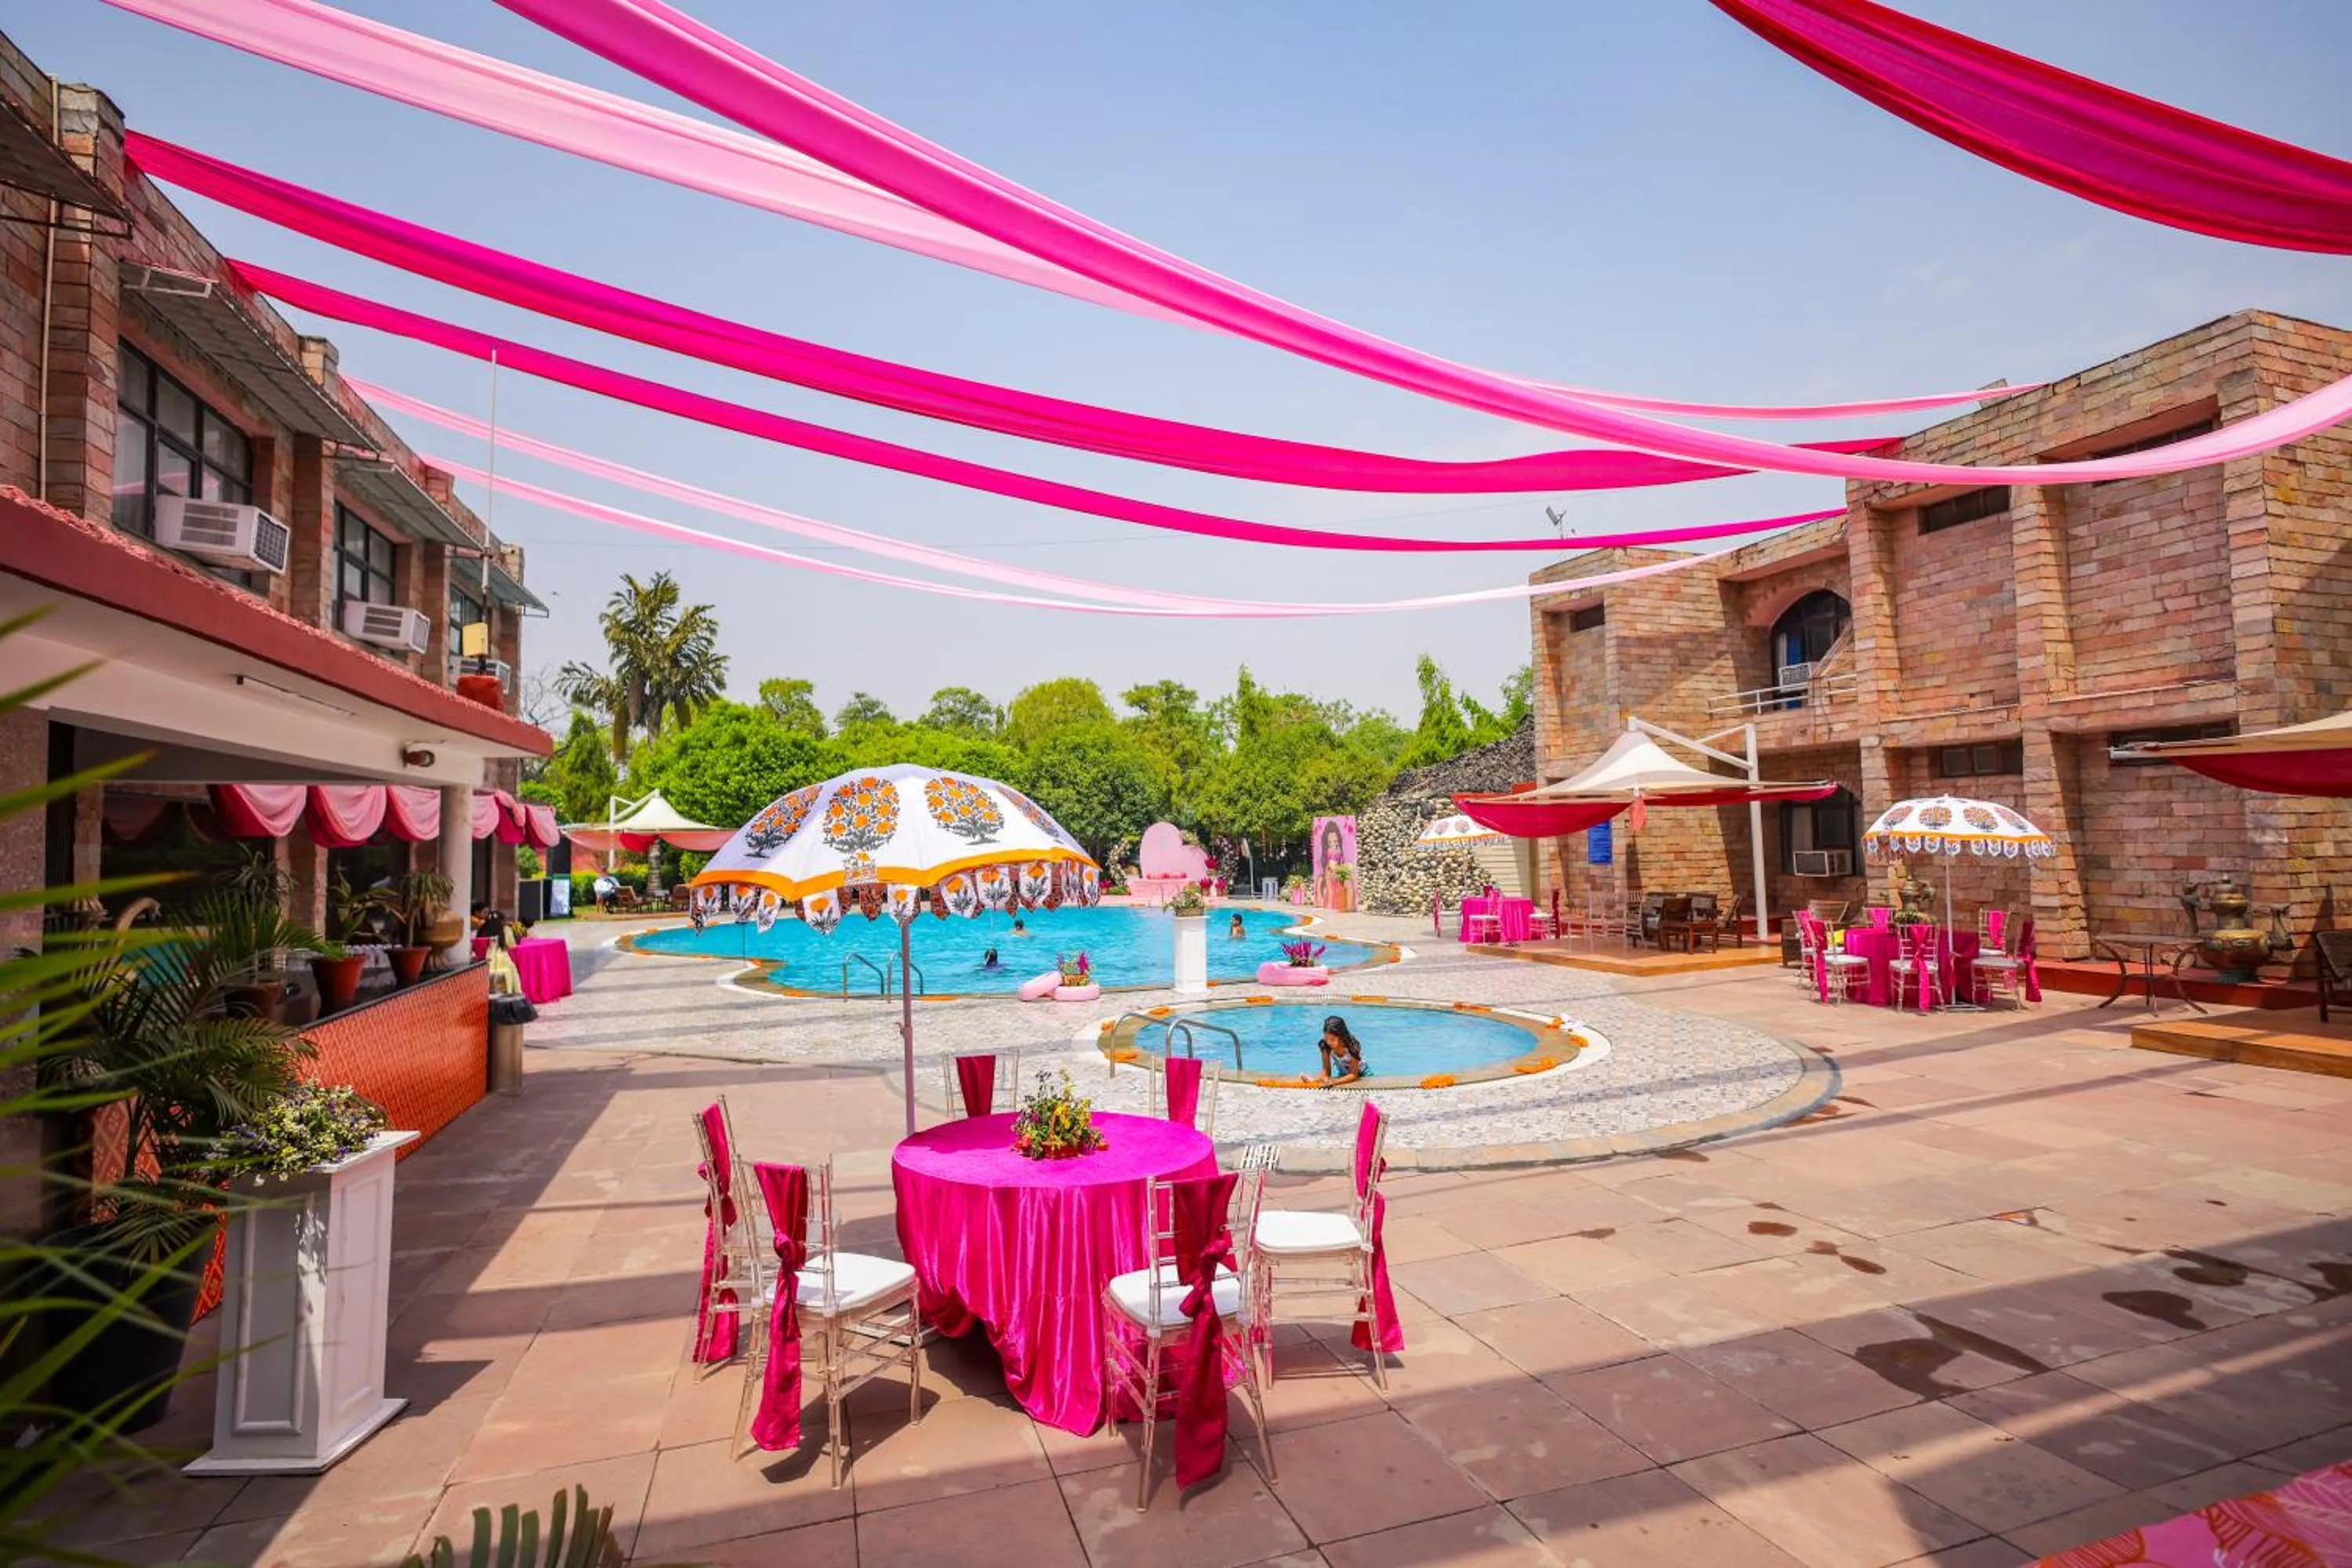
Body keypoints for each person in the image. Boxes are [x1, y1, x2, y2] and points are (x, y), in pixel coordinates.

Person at [1317, 1014, 1367, 1087]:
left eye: (1332, 1039)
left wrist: (1334, 1081)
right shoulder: (1325, 1046)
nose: (1329, 1042)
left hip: (1363, 1074)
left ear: (1341, 1037)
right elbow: (1326, 1073)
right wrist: (1314, 1080)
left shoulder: (1352, 1047)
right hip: (1343, 1074)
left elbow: (1354, 1075)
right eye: (1326, 1038)